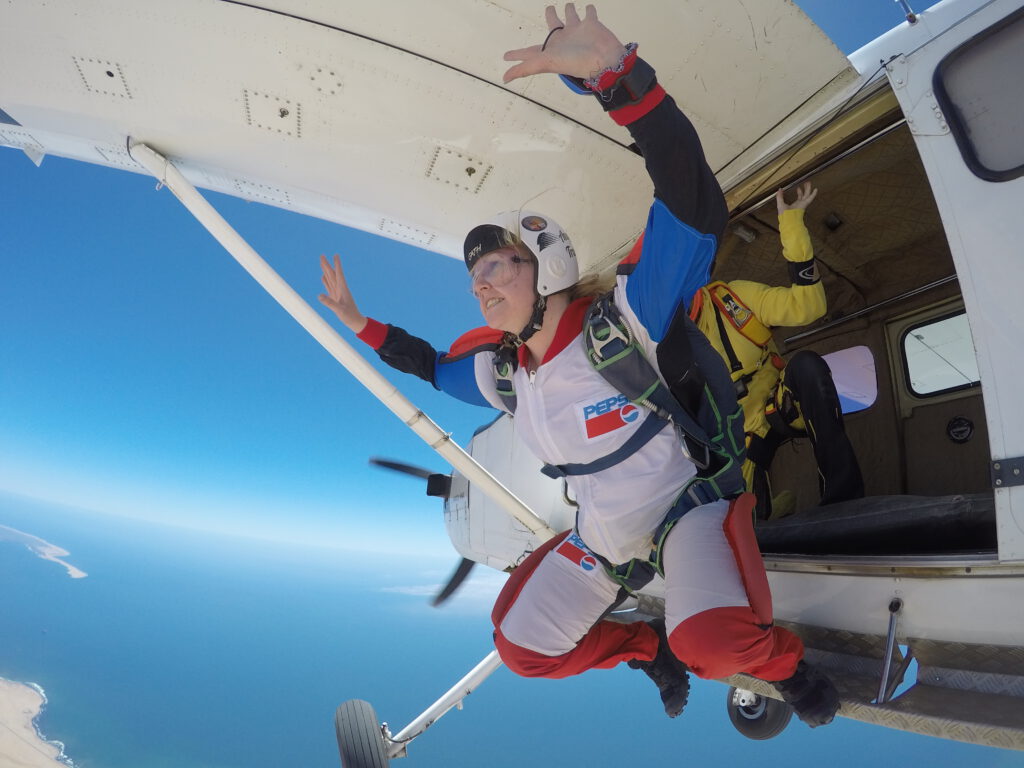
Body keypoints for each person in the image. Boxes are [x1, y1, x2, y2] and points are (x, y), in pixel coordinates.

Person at [319, 4, 838, 727]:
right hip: (605, 541)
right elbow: (432, 367)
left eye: (497, 265)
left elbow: (692, 202)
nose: (481, 284)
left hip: (685, 512)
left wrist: (618, 77)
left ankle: (794, 669)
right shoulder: (505, 376)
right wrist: (359, 324)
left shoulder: (625, 322)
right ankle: (642, 648)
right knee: (521, 646)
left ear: (549, 266)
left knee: (715, 648)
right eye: (475, 277)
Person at [689, 183, 864, 520]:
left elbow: (808, 306)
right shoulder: (657, 341)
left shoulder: (732, 298)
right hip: (738, 436)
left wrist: (793, 223)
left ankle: (844, 502)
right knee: (751, 523)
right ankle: (772, 515)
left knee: (808, 367)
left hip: (780, 401)